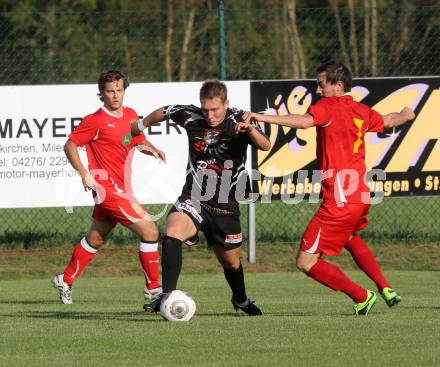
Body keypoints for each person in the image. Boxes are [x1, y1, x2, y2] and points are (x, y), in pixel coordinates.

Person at [244, 62, 415, 315]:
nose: (318, 89)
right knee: (348, 237)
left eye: (321, 84)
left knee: (305, 261)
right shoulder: (360, 110)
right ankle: (385, 287)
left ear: (339, 85)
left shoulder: (328, 107)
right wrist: (407, 113)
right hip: (361, 195)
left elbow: (303, 123)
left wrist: (261, 116)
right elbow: (390, 120)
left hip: (339, 201)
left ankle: (361, 296)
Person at [132, 79, 271, 316]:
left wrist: (250, 131)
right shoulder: (190, 116)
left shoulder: (240, 119)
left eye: (215, 109)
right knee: (172, 232)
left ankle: (241, 299)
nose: (210, 115)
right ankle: (166, 296)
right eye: (205, 109)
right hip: (194, 197)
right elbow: (165, 111)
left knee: (231, 262)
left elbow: (265, 145)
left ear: (226, 103)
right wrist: (141, 125)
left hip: (226, 204)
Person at [52, 70, 165, 304]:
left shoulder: (131, 114)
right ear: (101, 94)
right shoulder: (95, 120)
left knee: (95, 239)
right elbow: (70, 146)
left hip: (122, 188)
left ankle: (66, 279)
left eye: (119, 90)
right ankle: (153, 290)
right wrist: (84, 174)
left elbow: (136, 140)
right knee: (150, 231)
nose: (115, 95)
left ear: (125, 90)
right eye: (110, 91)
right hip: (107, 189)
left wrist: (152, 148)